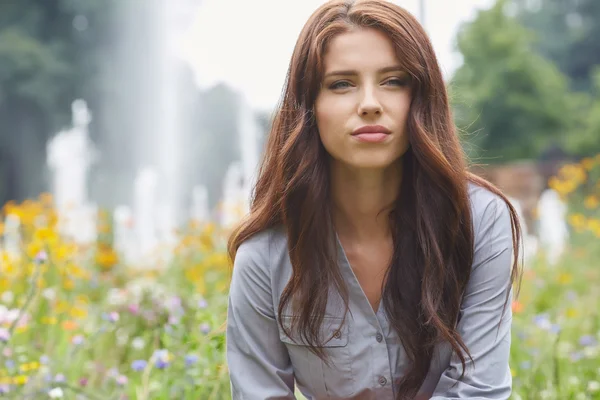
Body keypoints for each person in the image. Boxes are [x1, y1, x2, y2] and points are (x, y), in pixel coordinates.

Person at [225, 1, 522, 399]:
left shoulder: (480, 221)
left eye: (394, 81)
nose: (369, 103)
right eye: (341, 84)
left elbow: (479, 391)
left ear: (421, 98)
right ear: (309, 106)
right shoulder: (265, 255)